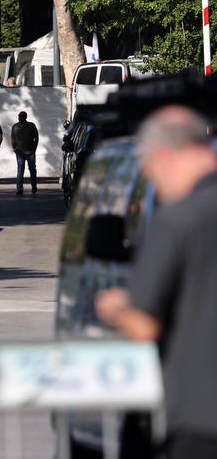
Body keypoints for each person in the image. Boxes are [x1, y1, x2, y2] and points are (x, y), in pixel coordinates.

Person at [95, 105, 217, 459]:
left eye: (150, 172)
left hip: (201, 419)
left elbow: (145, 325)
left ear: (163, 157)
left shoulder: (177, 220)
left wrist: (116, 308)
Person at [11, 111, 39, 195]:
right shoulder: (15, 127)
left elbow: (36, 137)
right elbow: (12, 138)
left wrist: (34, 149)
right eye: (20, 116)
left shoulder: (31, 125)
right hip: (19, 152)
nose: (21, 117)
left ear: (26, 117)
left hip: (30, 152)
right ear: (18, 117)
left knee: (32, 170)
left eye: (23, 116)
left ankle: (34, 186)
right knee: (20, 170)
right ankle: (19, 188)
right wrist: (14, 148)